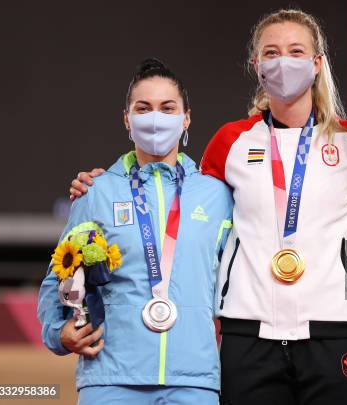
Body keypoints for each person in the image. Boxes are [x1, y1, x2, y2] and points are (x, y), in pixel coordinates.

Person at [70, 9, 347, 405]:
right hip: (246, 332)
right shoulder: (230, 141)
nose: (283, 61)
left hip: (335, 329)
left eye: (295, 50)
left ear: (317, 64)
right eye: (271, 52)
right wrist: (105, 183)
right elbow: (183, 204)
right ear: (257, 66)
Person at [38, 58, 233, 404]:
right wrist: (58, 332)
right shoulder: (95, 192)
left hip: (194, 382)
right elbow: (60, 275)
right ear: (127, 119)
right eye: (143, 108)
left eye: (167, 107)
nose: (155, 117)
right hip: (110, 380)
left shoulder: (217, 195)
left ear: (186, 118)